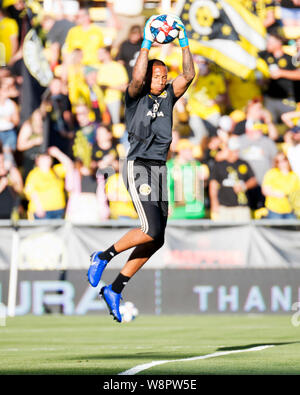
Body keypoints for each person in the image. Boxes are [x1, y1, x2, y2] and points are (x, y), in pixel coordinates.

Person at [87, 15, 195, 322]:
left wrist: (183, 40)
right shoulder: (135, 96)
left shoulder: (170, 95)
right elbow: (136, 78)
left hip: (159, 168)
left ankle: (115, 289)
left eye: (164, 75)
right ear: (148, 77)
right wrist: (147, 43)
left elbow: (189, 73)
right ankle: (103, 256)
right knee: (149, 228)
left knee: (157, 237)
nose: (162, 79)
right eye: (157, 76)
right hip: (138, 166)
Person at [209, 137, 257, 221]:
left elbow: (253, 180)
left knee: (243, 231)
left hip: (241, 206)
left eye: (237, 150)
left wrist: (244, 186)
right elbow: (213, 185)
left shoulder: (243, 163)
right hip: (224, 206)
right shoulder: (219, 165)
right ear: (228, 150)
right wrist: (214, 203)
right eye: (233, 150)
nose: (235, 153)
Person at [167, 139, 208, 219]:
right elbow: (167, 188)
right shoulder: (170, 165)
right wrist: (168, 206)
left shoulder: (196, 165)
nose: (191, 152)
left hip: (196, 211)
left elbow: (203, 186)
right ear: (181, 151)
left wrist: (205, 180)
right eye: (189, 150)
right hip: (178, 211)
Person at [24, 150, 66, 220]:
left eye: (47, 158)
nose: (46, 160)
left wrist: (58, 154)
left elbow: (70, 166)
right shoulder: (34, 174)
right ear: (37, 161)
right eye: (43, 158)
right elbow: (30, 191)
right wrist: (38, 207)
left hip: (58, 209)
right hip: (42, 212)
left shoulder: (56, 170)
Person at [262, 151, 300, 219]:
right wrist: (277, 193)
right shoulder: (272, 173)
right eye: (278, 161)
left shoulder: (294, 176)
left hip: (290, 210)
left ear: (287, 160)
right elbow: (265, 190)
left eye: (283, 160)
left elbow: (297, 193)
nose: (281, 163)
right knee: (276, 229)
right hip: (274, 210)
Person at [0, 141, 23, 219]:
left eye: (2, 161)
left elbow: (20, 190)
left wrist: (14, 176)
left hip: (12, 213)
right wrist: (2, 185)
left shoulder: (10, 172)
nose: (1, 164)